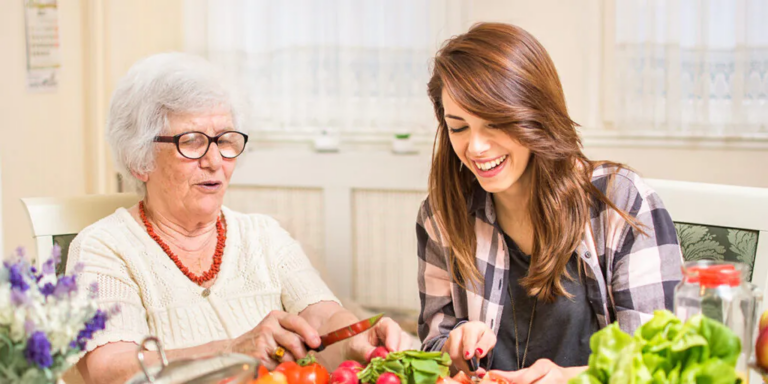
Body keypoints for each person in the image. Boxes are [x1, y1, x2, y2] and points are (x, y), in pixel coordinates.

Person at [66, 52, 410, 384]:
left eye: (225, 140)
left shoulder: (264, 235)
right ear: (140, 158)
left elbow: (321, 316)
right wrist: (231, 351)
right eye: (192, 141)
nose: (215, 161)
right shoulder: (104, 248)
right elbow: (110, 370)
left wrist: (355, 339)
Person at [416, 23, 683, 383]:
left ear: (534, 113)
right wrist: (452, 347)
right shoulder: (441, 215)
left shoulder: (621, 204)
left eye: (494, 123)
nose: (476, 148)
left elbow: (660, 362)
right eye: (459, 127)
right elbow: (433, 344)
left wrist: (570, 379)